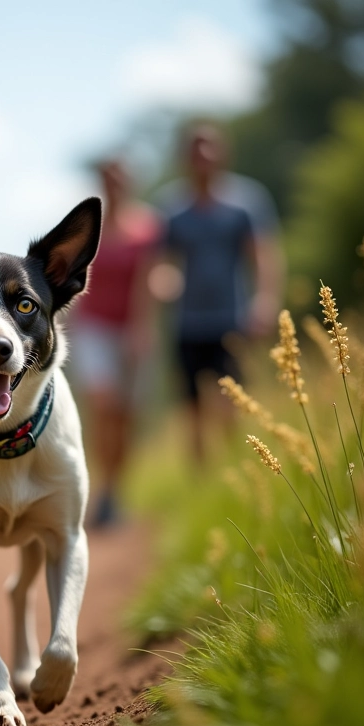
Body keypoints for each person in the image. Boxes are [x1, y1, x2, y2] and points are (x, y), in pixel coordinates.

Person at [157, 122, 284, 464]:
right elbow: (162, 262)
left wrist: (265, 302)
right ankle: (201, 480)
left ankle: (233, 470)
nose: (204, 154)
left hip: (232, 319)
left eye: (210, 146)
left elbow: (263, 256)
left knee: (233, 401)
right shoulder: (171, 207)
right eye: (196, 147)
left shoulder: (247, 201)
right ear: (186, 156)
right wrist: (164, 279)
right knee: (192, 407)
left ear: (223, 153)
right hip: (187, 323)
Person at [70, 159, 161, 526]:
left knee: (125, 416)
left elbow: (150, 280)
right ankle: (97, 486)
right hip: (93, 327)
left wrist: (143, 328)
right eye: (107, 180)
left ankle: (113, 489)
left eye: (119, 180)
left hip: (132, 330)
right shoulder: (87, 227)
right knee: (101, 403)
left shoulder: (148, 228)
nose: (114, 186)